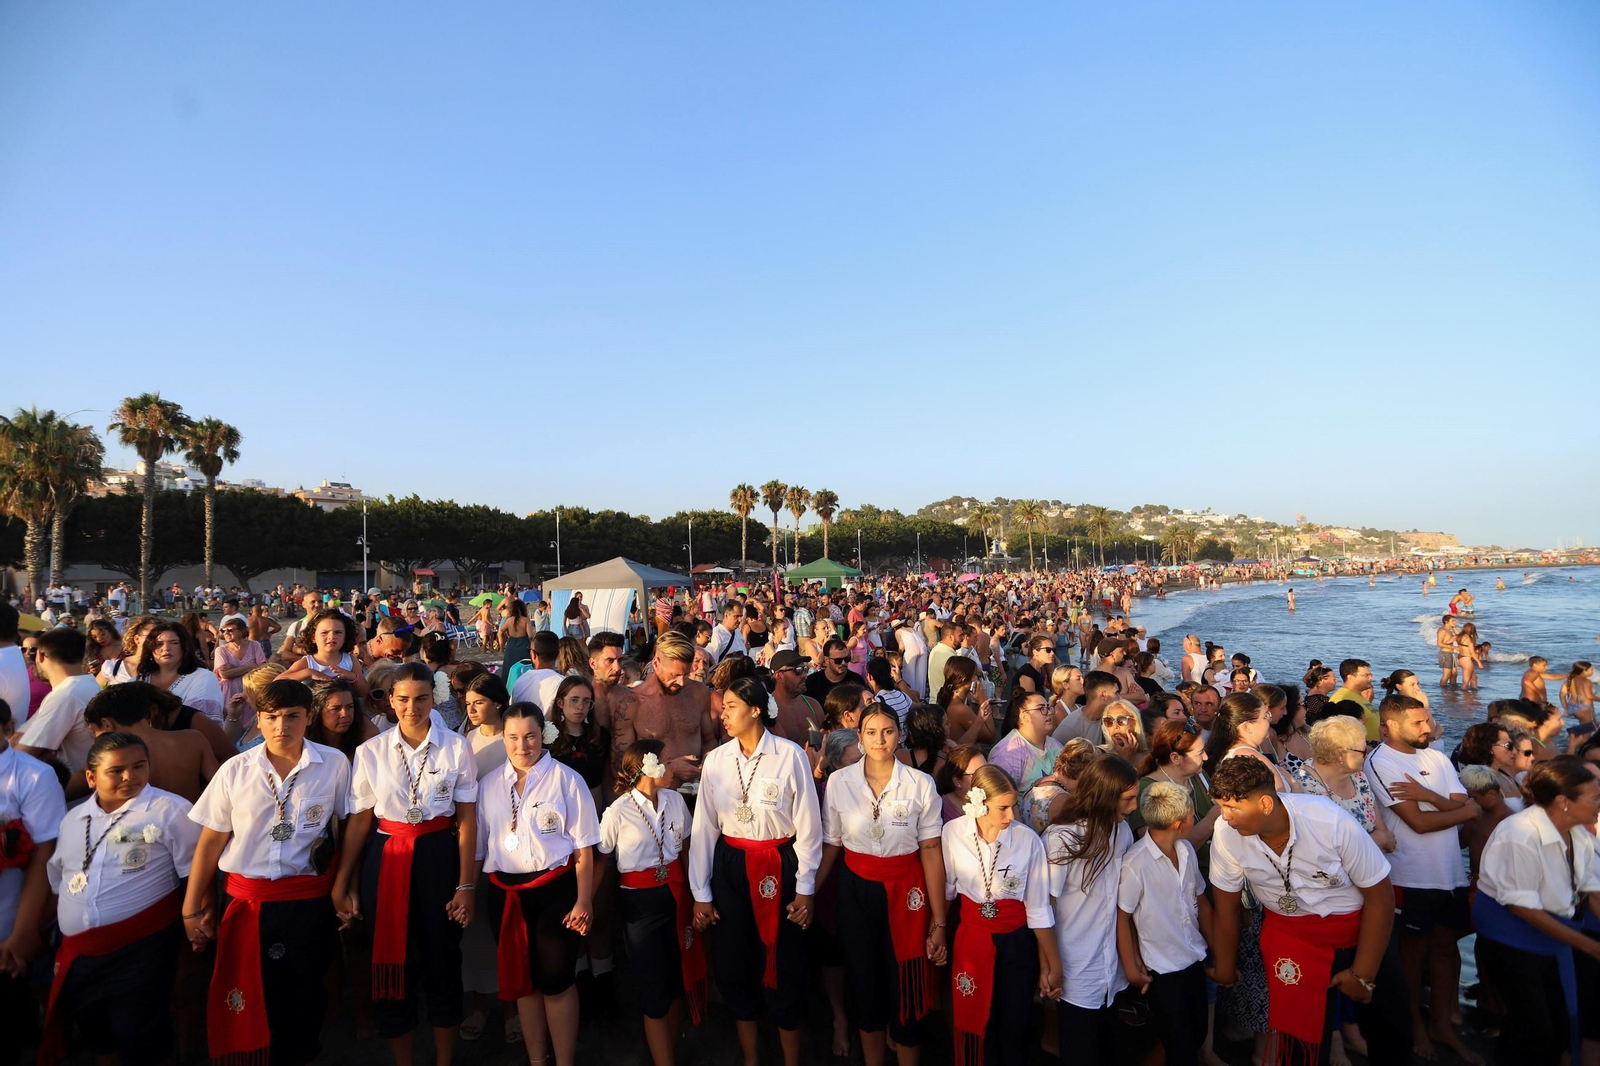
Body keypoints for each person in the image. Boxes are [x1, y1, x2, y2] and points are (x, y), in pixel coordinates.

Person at [182, 679, 350, 1066]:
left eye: (292, 716)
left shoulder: (334, 765)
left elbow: (345, 828)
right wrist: (191, 908)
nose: (281, 726)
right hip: (245, 900)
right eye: (271, 717)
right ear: (257, 719)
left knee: (304, 991)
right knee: (250, 991)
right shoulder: (235, 770)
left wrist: (345, 887)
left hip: (306, 899)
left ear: (309, 717)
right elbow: (211, 841)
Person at [1207, 756, 1412, 1063]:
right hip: (1292, 937)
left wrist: (1364, 973)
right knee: (1299, 1046)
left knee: (1391, 1032)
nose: (1226, 817)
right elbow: (1227, 908)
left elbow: (1381, 898)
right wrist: (1224, 966)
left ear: (1264, 804)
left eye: (1233, 807)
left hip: (1361, 930)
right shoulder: (1225, 832)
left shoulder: (1329, 821)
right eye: (1222, 807)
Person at [334, 662, 479, 1066]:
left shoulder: (456, 747)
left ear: (436, 698)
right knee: (392, 963)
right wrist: (343, 881)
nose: (411, 708)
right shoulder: (371, 751)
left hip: (438, 854)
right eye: (402, 699)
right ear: (390, 700)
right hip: (386, 857)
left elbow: (467, 818)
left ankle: (444, 1061)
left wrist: (467, 884)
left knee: (443, 959)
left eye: (421, 698)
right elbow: (361, 819)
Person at [39, 731, 201, 1066]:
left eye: (139, 766)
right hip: (81, 954)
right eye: (117, 770)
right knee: (100, 1037)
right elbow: (59, 882)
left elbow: (196, 878)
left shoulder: (169, 811)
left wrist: (191, 941)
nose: (130, 776)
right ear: (90, 777)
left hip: (143, 948)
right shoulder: (72, 820)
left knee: (145, 1038)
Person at [690, 675, 822, 1066]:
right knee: (734, 960)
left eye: (731, 707)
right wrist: (702, 892)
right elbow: (704, 829)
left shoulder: (789, 756)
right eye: (723, 707)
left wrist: (806, 886)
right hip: (732, 867)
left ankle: (791, 1058)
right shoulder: (717, 760)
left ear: (755, 710)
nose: (723, 714)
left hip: (780, 864)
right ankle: (751, 1057)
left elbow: (809, 825)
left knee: (785, 959)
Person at [818, 702, 947, 1066]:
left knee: (907, 982)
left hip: (907, 890)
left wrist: (939, 920)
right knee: (865, 983)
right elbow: (832, 843)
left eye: (887, 731)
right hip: (856, 890)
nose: (880, 739)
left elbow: (931, 851)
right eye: (871, 732)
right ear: (859, 737)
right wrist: (808, 891)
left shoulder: (920, 784)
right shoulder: (840, 782)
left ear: (900, 734)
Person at [474, 701, 598, 1066]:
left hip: (556, 892)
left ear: (541, 735)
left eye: (529, 736)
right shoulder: (489, 784)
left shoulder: (566, 780)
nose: (521, 746)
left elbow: (583, 849)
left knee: (557, 982)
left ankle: (564, 1061)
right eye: (512, 737)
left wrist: (584, 900)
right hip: (505, 895)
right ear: (504, 738)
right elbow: (482, 846)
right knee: (523, 983)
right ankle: (537, 1060)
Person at [1364, 693, 1482, 1064]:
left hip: (1449, 873)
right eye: (1417, 723)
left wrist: (1427, 795)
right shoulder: (1380, 761)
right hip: (1410, 876)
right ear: (1390, 726)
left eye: (1426, 720)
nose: (1427, 727)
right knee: (1411, 956)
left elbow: (1472, 809)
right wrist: (1457, 808)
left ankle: (1442, 1024)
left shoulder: (1435, 757)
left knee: (1446, 947)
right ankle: (1416, 1026)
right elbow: (1419, 821)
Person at [1471, 757, 1600, 1066]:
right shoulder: (1520, 834)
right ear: (1563, 802)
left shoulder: (1576, 831)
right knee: (1532, 1032)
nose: (1599, 803)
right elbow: (1522, 907)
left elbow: (1591, 889)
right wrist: (1590, 946)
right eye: (1594, 797)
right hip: (1511, 942)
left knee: (1557, 1030)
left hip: (1551, 937)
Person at [944, 763, 1059, 1066]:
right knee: (978, 1017)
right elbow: (947, 890)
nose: (1011, 816)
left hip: (1015, 942)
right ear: (980, 804)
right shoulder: (953, 833)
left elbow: (1038, 908)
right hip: (973, 938)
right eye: (1003, 808)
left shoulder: (1028, 841)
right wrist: (937, 931)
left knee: (1014, 1019)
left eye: (1012, 806)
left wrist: (1051, 962)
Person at [599, 740, 701, 1066]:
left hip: (675, 896)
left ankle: (666, 1051)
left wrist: (698, 897)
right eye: (669, 761)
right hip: (639, 905)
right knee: (652, 986)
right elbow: (600, 858)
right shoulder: (617, 812)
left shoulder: (675, 800)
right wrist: (587, 901)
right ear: (649, 769)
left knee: (674, 981)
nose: (674, 767)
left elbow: (686, 851)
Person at [1045, 755, 1137, 1065]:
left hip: (1110, 970)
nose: (1134, 807)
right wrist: (1050, 965)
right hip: (1075, 968)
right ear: (1105, 796)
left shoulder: (1121, 832)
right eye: (1128, 799)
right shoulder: (1063, 838)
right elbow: (1045, 907)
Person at [1117, 781, 1213, 1066]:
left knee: (1196, 1034)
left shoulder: (1185, 852)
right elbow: (1123, 918)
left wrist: (1215, 950)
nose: (1194, 819)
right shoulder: (1135, 864)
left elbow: (1201, 902)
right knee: (1180, 1045)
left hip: (1192, 959)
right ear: (1178, 823)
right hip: (1162, 971)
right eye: (1192, 814)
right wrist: (1133, 969)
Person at [610, 632, 716, 789]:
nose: (681, 682)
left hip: (697, 794)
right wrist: (669, 768)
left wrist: (705, 765)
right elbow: (621, 766)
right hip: (656, 799)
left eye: (685, 674)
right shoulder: (632, 704)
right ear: (656, 663)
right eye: (675, 675)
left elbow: (709, 740)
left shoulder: (699, 693)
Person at [81, 682, 220, 802]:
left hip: (140, 828)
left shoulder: (114, 757)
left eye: (94, 732)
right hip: (192, 825)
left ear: (106, 724)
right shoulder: (194, 739)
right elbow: (221, 786)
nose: (95, 739)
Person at [1292, 715, 1395, 853]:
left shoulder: (1358, 776)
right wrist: (1376, 840)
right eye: (1363, 751)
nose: (1367, 754)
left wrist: (1380, 839)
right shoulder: (1305, 786)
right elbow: (1324, 848)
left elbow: (1382, 830)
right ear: (1340, 754)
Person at [16, 627, 102, 789]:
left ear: (40, 656)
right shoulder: (84, 685)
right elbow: (20, 737)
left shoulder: (66, 695)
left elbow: (20, 754)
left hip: (71, 794)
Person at [136, 622, 226, 725]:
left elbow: (203, 725)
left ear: (184, 647)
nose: (166, 648)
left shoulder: (202, 677)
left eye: (174, 643)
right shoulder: (137, 681)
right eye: (159, 644)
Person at [986, 689, 1062, 796]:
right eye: (1041, 708)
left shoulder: (1054, 745)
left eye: (1048, 707)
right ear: (1024, 716)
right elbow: (998, 799)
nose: (1049, 712)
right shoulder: (1007, 755)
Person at [1458, 721, 1525, 811]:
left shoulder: (1506, 776)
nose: (1515, 752)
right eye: (1509, 746)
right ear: (1489, 748)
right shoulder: (1481, 782)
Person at [1049, 669, 1119, 746]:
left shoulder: (1106, 719)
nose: (1120, 697)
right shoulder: (1070, 729)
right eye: (1116, 693)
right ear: (1103, 695)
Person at [214, 617, 267, 710]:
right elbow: (224, 674)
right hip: (229, 693)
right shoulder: (221, 650)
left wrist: (234, 669)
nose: (226, 633)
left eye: (230, 630)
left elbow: (263, 668)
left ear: (242, 631)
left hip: (251, 692)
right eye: (223, 630)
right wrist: (251, 666)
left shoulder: (254, 645)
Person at [935, 744, 986, 823]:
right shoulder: (941, 811)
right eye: (976, 774)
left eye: (987, 770)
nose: (985, 777)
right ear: (957, 781)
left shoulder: (992, 799)